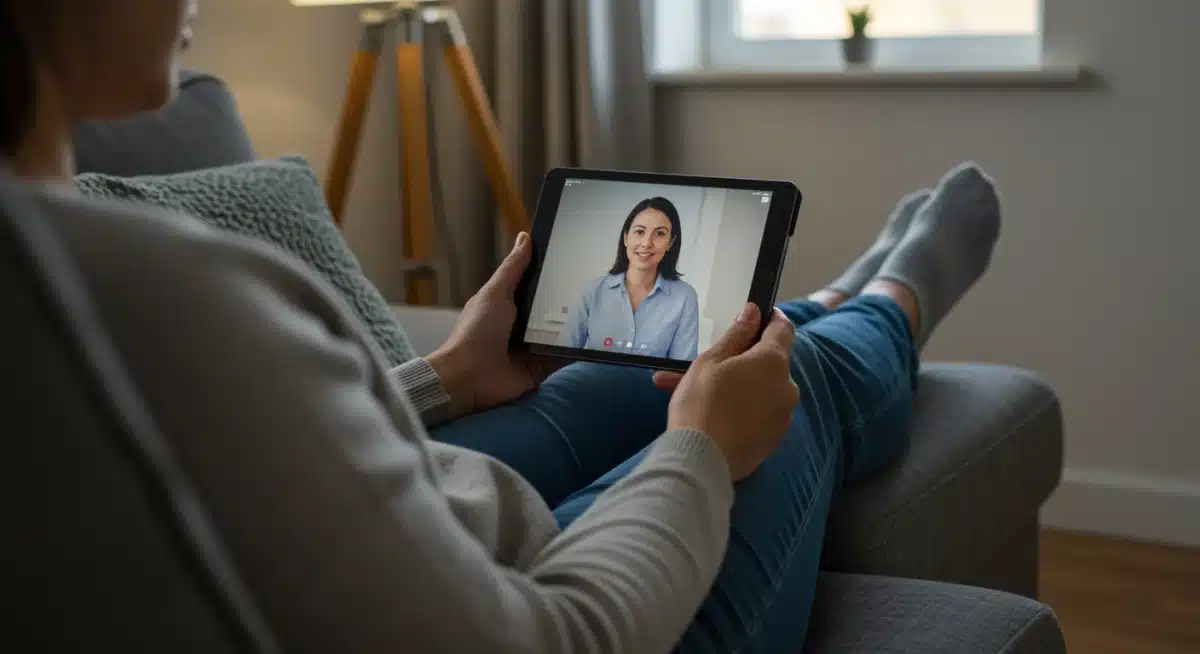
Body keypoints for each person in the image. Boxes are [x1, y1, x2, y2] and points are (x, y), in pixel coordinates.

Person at [3, 0, 1001, 651]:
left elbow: (222, 461)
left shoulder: (106, 289)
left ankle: (822, 305)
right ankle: (890, 302)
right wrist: (701, 448)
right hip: (531, 609)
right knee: (792, 381)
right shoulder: (149, 295)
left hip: (433, 543)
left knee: (616, 372)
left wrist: (447, 376)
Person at [562, 196, 700, 360]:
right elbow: (562, 355)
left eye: (660, 234)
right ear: (626, 237)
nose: (646, 243)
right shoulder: (592, 290)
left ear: (671, 242)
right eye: (640, 232)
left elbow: (681, 371)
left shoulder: (685, 297)